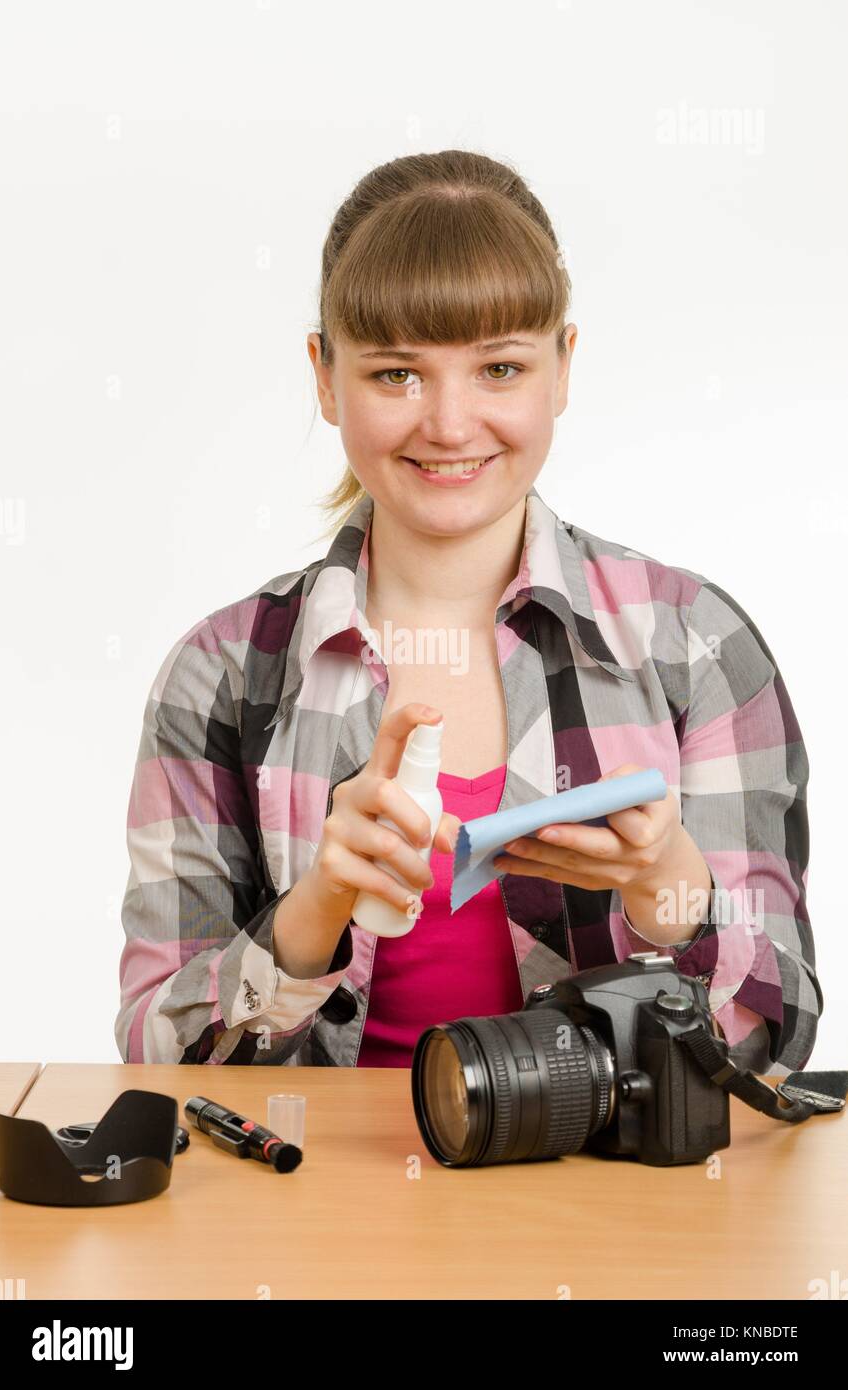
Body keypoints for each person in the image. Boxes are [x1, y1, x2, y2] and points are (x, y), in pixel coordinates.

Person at [115, 149, 820, 1075]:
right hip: (318, 1209)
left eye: (499, 367)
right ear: (325, 378)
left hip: (611, 1208)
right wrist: (314, 909)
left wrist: (673, 896)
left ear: (562, 369)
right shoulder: (222, 673)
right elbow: (155, 1055)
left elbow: (778, 1048)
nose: (449, 424)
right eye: (396, 374)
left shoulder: (695, 646)